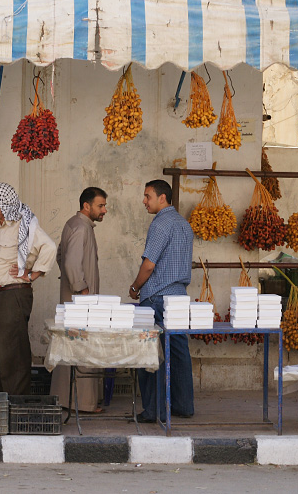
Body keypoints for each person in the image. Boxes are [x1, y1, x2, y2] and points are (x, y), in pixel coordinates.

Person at [129, 179, 195, 422]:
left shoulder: (160, 224)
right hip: (178, 298)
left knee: (150, 353)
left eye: (148, 196)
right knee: (179, 352)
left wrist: (136, 287)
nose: (144, 201)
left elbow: (149, 265)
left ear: (162, 198)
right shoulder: (184, 225)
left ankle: (153, 410)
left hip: (156, 297)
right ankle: (183, 405)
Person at [0, 182, 57, 395]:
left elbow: (49, 247)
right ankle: (1, 402)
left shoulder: (23, 225)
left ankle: (16, 404)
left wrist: (32, 275)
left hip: (13, 295)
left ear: (4, 205)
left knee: (12, 354)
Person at [50, 187, 108, 412]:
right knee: (82, 347)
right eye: (100, 205)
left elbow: (60, 255)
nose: (104, 210)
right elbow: (71, 263)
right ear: (87, 206)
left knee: (70, 346)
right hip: (81, 301)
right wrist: (81, 288)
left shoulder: (75, 225)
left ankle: (66, 399)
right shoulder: (81, 228)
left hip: (74, 297)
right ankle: (84, 403)